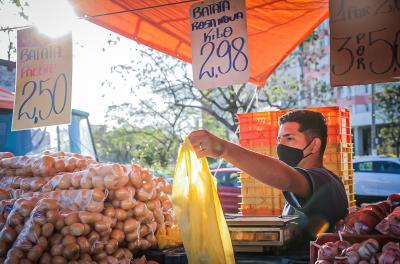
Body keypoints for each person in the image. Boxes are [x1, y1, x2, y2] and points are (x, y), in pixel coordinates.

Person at [189, 110, 348, 237]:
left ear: (314, 146)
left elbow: (287, 179)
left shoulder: (324, 180)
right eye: (280, 140)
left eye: (289, 138)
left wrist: (224, 149)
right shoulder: (309, 182)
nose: (281, 146)